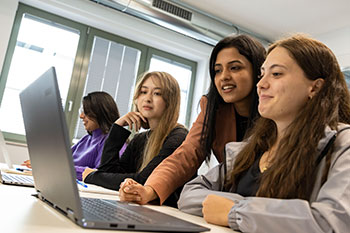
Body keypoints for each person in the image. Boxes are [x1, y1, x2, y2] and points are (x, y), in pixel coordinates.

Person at [178, 34, 350, 233]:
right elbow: (190, 194)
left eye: (276, 74)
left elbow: (334, 222)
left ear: (315, 87)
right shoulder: (249, 149)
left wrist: (235, 211)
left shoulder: (342, 145)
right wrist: (245, 211)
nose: (261, 84)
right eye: (262, 74)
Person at [119, 34, 266, 205]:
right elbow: (187, 153)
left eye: (234, 68)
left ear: (258, 71)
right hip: (232, 196)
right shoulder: (213, 107)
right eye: (217, 70)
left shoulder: (273, 111)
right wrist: (149, 190)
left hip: (263, 197)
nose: (224, 76)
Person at [82, 71, 188, 206]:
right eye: (143, 92)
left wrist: (93, 177)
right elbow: (109, 172)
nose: (148, 98)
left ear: (170, 102)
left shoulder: (179, 137)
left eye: (157, 93)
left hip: (170, 213)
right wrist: (117, 128)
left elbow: (143, 180)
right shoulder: (140, 139)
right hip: (144, 209)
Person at [23, 91, 123, 181]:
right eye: (81, 111)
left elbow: (100, 175)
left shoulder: (112, 142)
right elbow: (63, 160)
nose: (81, 116)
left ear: (99, 113)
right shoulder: (86, 139)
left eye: (86, 111)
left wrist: (56, 168)